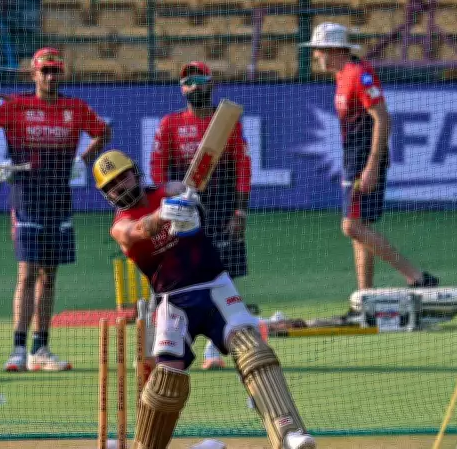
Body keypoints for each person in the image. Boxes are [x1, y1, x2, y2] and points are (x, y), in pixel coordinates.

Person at [92, 150, 316, 449]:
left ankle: (287, 433)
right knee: (166, 380)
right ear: (106, 195)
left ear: (135, 172)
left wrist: (189, 201)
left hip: (216, 287)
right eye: (111, 186)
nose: (120, 187)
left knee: (253, 351)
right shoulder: (120, 226)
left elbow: (182, 189)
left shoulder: (168, 191)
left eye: (123, 177)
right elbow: (137, 230)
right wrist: (164, 214)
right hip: (173, 301)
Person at [0, 47, 112, 372]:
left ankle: (40, 348)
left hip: (59, 198)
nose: (50, 77)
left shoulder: (75, 107)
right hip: (26, 197)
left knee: (49, 276)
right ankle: (17, 348)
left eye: (55, 71)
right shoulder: (14, 105)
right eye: (45, 71)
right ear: (33, 74)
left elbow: (103, 132)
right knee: (27, 273)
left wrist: (82, 161)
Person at [300, 23, 439, 324]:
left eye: (319, 50)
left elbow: (383, 118)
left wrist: (373, 164)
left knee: (351, 226)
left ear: (335, 50)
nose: (317, 56)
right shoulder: (341, 75)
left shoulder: (359, 74)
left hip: (364, 159)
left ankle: (416, 277)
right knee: (360, 228)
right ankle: (365, 300)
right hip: (353, 158)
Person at [150, 61, 252, 370]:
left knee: (223, 272)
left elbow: (243, 167)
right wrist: (166, 203)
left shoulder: (227, 122)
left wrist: (240, 210)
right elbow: (157, 168)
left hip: (221, 205)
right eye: (188, 81)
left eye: (200, 79)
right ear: (182, 89)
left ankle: (214, 346)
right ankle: (173, 343)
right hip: (183, 209)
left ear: (211, 84)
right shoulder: (170, 124)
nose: (194, 86)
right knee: (180, 274)